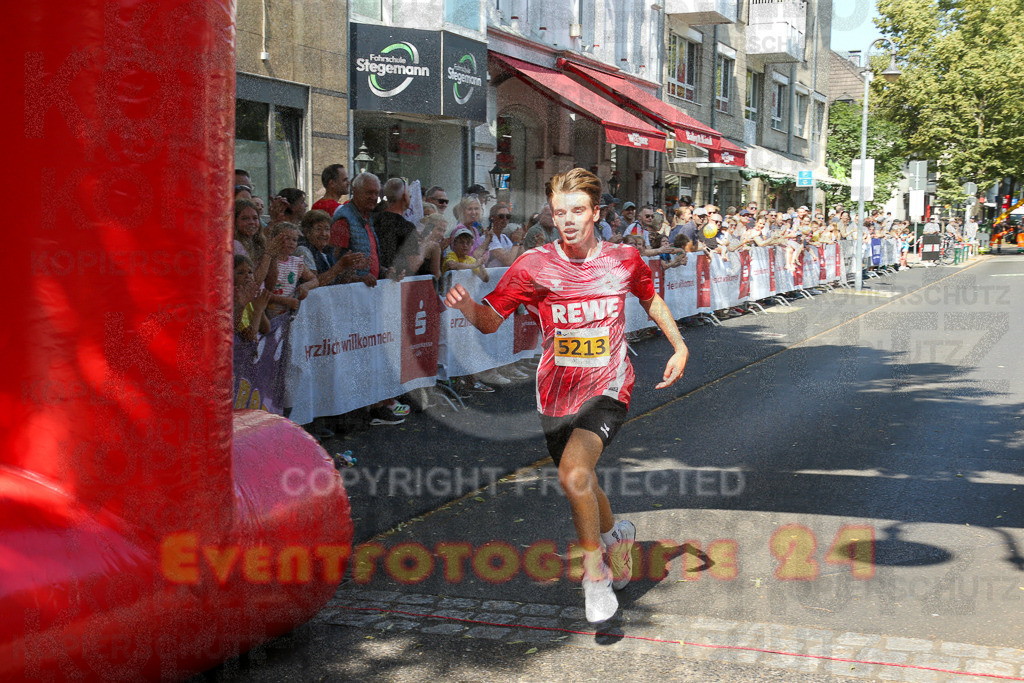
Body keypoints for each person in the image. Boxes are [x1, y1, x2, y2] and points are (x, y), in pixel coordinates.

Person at [443, 168, 689, 623]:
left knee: (575, 472)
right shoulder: (534, 265)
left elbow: (649, 298)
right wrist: (465, 307)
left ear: (596, 212)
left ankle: (594, 576)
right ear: (551, 215)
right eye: (560, 212)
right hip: (556, 391)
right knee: (584, 481)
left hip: (610, 383)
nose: (569, 220)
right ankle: (619, 534)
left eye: (578, 210)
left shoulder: (623, 259)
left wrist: (679, 344)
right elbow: (490, 320)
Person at [330, 172, 382, 287]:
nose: (373, 197)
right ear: (355, 191)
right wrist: (357, 279)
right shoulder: (344, 220)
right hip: (350, 295)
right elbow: (331, 262)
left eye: (376, 193)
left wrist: (385, 271)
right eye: (369, 192)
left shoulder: (367, 218)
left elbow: (371, 257)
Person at [266, 222, 318, 318]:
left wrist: (306, 286)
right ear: (275, 239)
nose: (291, 242)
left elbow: (315, 280)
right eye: (287, 238)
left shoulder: (297, 262)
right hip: (268, 315)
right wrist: (285, 301)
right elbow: (262, 292)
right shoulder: (268, 261)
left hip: (288, 315)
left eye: (294, 240)